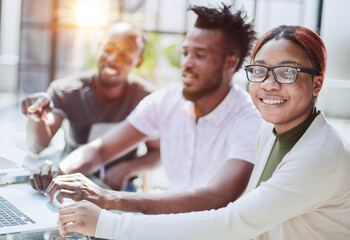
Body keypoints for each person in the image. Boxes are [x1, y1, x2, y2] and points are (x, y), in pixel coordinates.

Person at [57, 25, 350, 239]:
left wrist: (108, 221)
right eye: (260, 70)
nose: (269, 84)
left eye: (287, 73)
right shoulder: (271, 130)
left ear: (316, 83)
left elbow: (230, 221)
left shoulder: (318, 154)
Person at [31, 4, 262, 215]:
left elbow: (218, 196)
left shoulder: (249, 119)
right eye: (185, 53)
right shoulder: (165, 100)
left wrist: (111, 199)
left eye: (199, 55)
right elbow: (100, 150)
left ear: (229, 63)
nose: (186, 64)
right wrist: (59, 170)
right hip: (171, 225)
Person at [21, 22, 160, 191]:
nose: (112, 59)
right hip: (70, 175)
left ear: (138, 61)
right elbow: (38, 145)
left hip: (118, 187)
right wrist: (36, 117)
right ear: (100, 47)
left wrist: (126, 169)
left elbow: (157, 151)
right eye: (108, 49)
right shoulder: (67, 90)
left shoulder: (147, 97)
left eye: (124, 54)